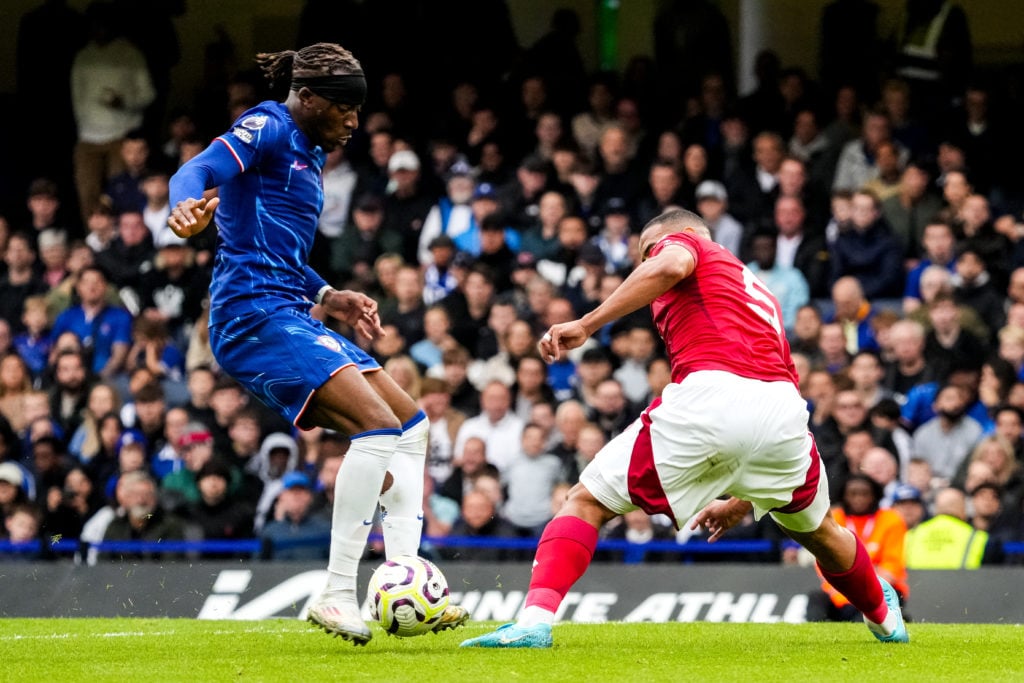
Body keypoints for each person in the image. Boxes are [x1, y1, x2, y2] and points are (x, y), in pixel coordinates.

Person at [462, 209, 908, 649]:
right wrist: (742, 498)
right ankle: (886, 619)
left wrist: (586, 323)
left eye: (646, 251)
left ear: (684, 233)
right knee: (819, 532)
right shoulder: (758, 295)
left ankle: (534, 622)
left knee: (585, 501)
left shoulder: (688, 244)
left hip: (712, 392)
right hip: (782, 410)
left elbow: (672, 264)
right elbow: (754, 416)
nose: (646, 263)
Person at [165, 43, 466, 645]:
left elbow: (279, 250)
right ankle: (333, 594)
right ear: (306, 98)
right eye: (344, 108)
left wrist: (330, 296)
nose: (355, 120)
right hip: (250, 316)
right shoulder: (268, 126)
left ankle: (403, 577)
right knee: (378, 429)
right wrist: (181, 208)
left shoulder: (308, 151)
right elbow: (192, 172)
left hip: (289, 310)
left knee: (411, 426)